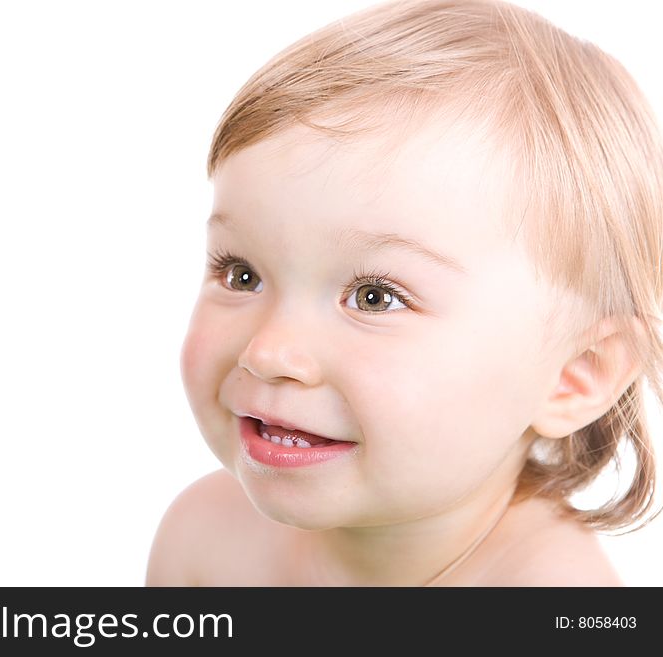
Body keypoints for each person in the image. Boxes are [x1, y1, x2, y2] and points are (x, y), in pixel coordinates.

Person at [146, 0, 663, 586]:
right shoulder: (205, 537)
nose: (267, 352)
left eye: (375, 297)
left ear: (576, 371)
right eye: (242, 273)